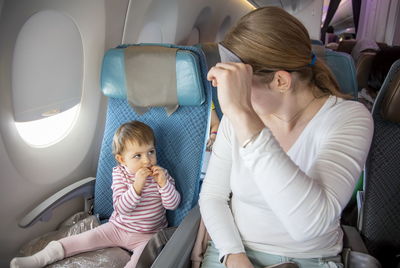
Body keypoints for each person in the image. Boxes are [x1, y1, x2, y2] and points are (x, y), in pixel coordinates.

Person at [199, 7, 373, 268]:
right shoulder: (237, 117)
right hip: (233, 252)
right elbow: (213, 195)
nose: (233, 97)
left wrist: (244, 116)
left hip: (310, 260)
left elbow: (309, 225)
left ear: (281, 81)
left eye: (242, 86)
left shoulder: (349, 119)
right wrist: (234, 256)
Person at [11, 120, 181, 268]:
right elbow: (122, 208)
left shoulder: (161, 174)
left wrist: (164, 184)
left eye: (150, 152)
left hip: (148, 235)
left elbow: (172, 204)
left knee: (139, 263)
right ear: (122, 160)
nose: (147, 160)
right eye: (137, 155)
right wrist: (136, 186)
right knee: (81, 240)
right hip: (117, 228)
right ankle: (39, 259)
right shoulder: (120, 174)